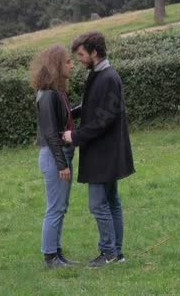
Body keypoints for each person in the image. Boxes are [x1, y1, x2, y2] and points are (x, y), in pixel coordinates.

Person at [64, 31, 135, 268]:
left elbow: (104, 118)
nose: (79, 60)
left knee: (99, 204)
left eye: (82, 54)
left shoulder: (108, 78)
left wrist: (74, 136)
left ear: (95, 52)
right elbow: (92, 106)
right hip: (106, 153)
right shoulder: (99, 75)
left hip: (105, 154)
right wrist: (71, 113)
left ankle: (109, 253)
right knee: (111, 201)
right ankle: (116, 253)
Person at [30, 45, 78, 269]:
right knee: (55, 207)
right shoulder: (47, 95)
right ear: (57, 65)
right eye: (68, 61)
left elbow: (63, 118)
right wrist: (62, 164)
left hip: (60, 154)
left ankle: (57, 253)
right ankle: (50, 257)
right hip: (54, 156)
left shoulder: (56, 92)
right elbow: (50, 132)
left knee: (61, 206)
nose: (72, 65)